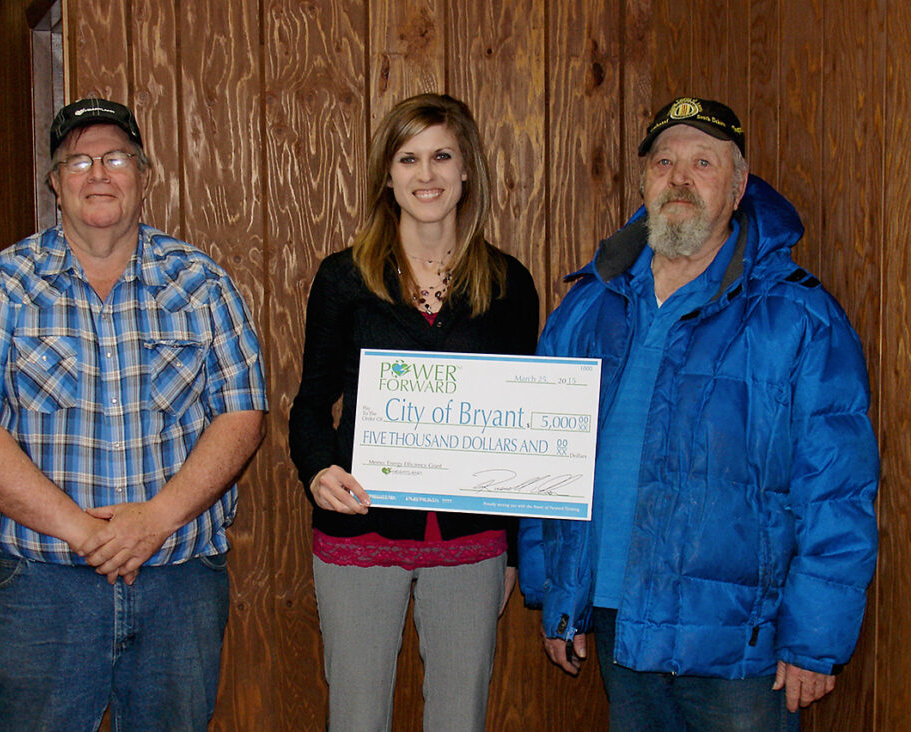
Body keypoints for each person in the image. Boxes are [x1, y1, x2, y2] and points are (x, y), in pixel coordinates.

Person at [519, 97, 878, 730]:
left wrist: (815, 637)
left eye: (703, 162)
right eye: (664, 161)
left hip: (738, 641)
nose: (680, 178)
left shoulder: (798, 317)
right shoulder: (586, 306)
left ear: (739, 186)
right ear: (644, 181)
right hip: (616, 619)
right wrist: (558, 594)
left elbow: (838, 489)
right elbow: (541, 462)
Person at [0, 97, 267, 731]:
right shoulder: (1, 285)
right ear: (55, 184)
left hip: (177, 579)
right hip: (39, 584)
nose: (98, 174)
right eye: (77, 161)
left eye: (115, 157)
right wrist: (84, 532)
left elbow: (242, 415)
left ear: (144, 174)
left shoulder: (203, 284)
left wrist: (155, 520)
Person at [289, 93, 539, 731]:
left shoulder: (508, 284)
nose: (425, 175)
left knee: (460, 718)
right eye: (408, 158)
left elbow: (523, 432)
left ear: (465, 172)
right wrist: (319, 471)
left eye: (441, 156)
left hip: (471, 539)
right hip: (362, 524)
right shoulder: (344, 279)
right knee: (357, 717)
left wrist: (513, 554)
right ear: (388, 176)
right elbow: (311, 404)